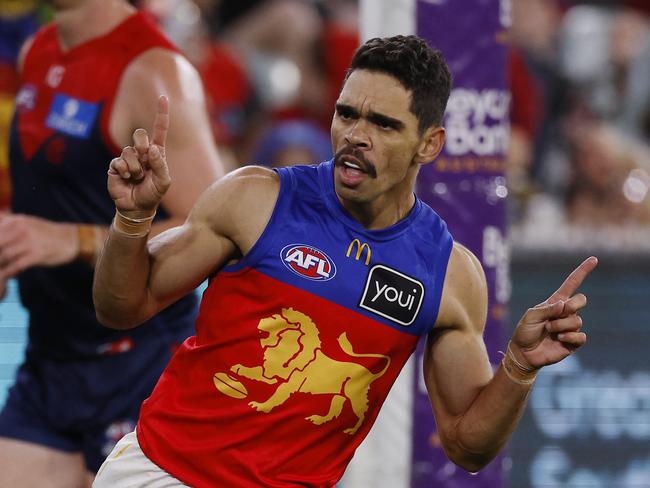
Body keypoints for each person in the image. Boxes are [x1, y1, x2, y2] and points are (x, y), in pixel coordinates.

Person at [92, 35, 598, 487]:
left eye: (382, 123)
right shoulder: (255, 199)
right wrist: (132, 222)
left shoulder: (449, 276)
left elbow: (467, 448)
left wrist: (517, 368)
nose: (356, 134)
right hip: (163, 474)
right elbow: (122, 307)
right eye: (346, 113)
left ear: (430, 144)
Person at [0, 0, 225, 486]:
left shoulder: (154, 71)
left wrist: (75, 239)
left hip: (139, 365)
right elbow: (44, 197)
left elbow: (213, 226)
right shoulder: (37, 50)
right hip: (51, 358)